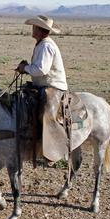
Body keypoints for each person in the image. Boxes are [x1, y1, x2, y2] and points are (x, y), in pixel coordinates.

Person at [15, 15, 69, 163]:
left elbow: (42, 70)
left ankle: (52, 149)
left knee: (47, 113)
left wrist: (25, 68)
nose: (32, 30)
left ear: (38, 30)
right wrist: (26, 68)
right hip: (42, 85)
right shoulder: (41, 44)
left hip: (53, 85)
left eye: (33, 27)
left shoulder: (46, 46)